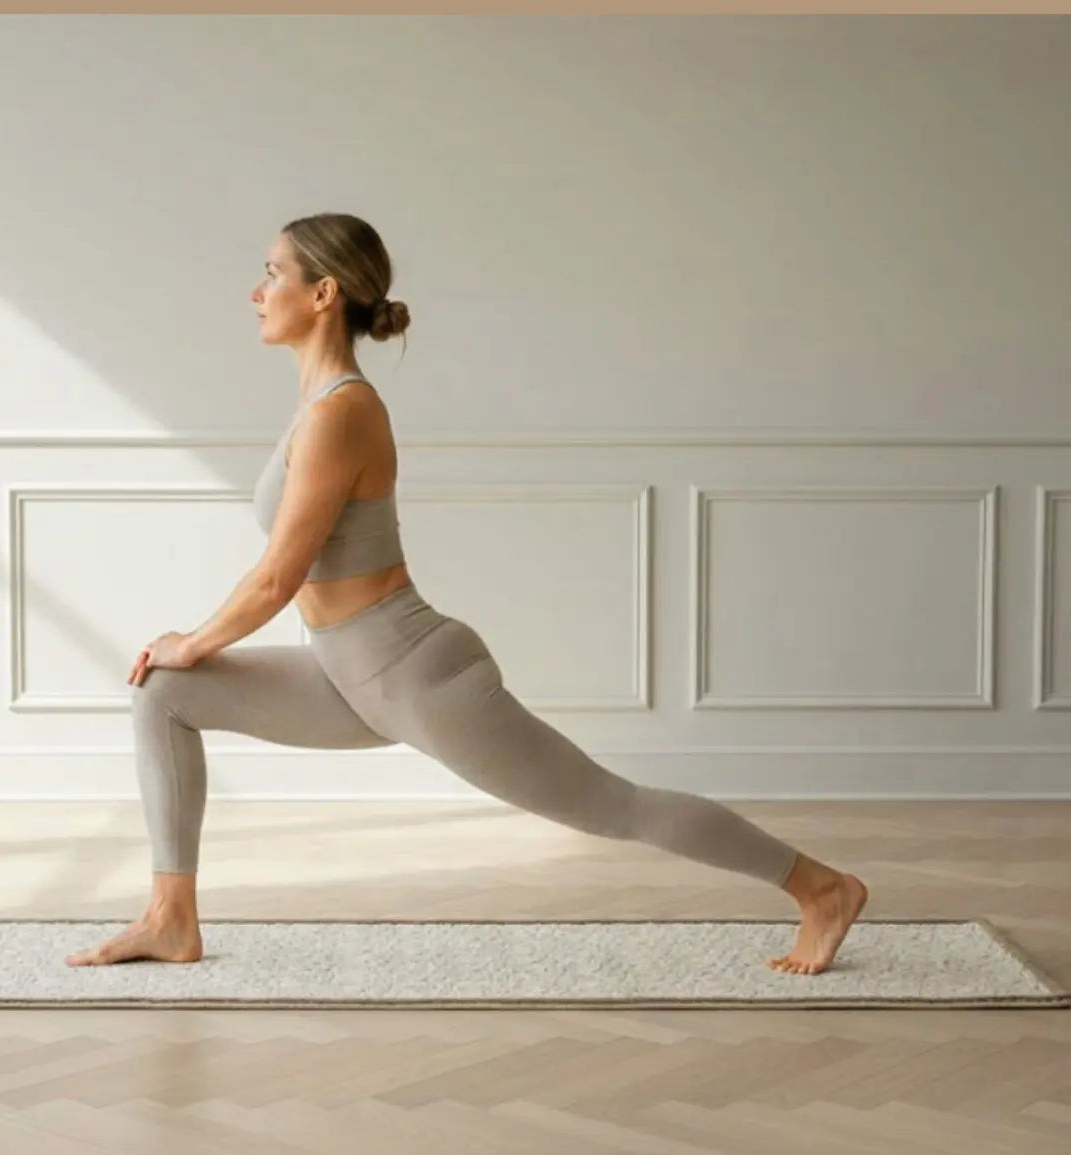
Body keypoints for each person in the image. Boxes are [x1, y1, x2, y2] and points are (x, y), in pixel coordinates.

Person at [67, 213, 867, 974]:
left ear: (322, 294)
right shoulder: (315, 407)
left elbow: (280, 575)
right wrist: (182, 658)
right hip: (349, 674)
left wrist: (193, 638)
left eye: (272, 272)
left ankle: (820, 887)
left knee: (611, 807)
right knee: (164, 693)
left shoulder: (342, 412)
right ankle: (172, 920)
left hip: (416, 675)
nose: (255, 289)